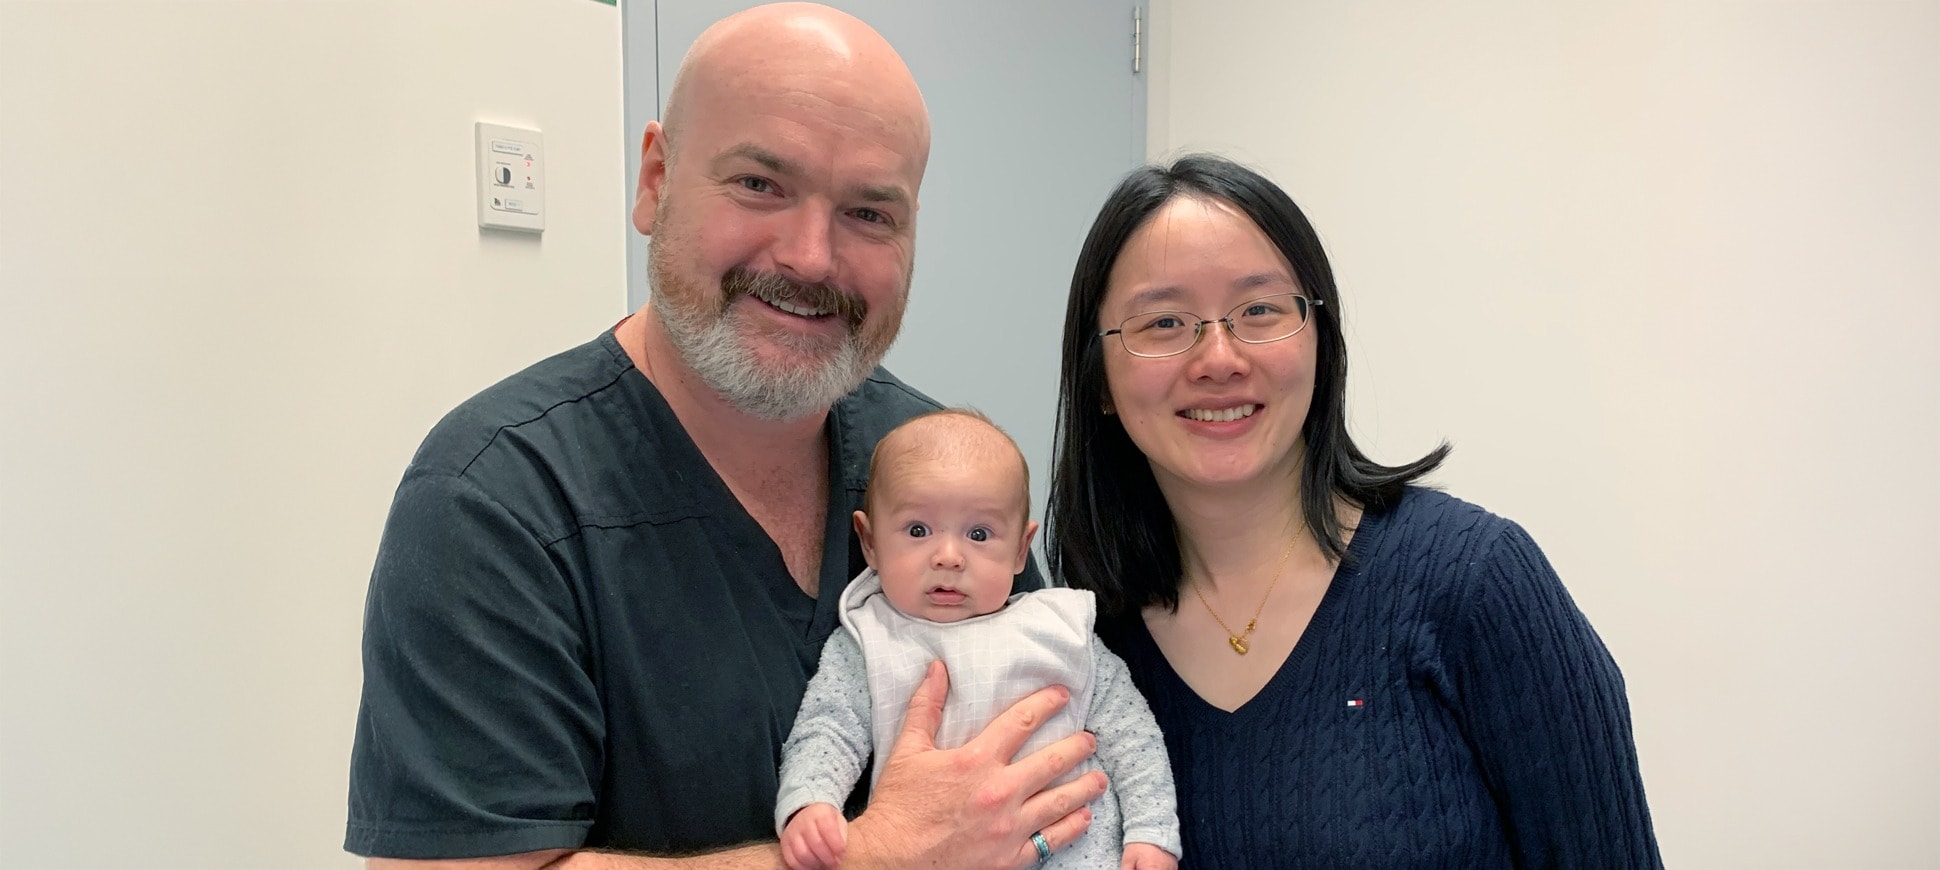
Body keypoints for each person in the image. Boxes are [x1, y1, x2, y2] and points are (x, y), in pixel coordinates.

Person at [346, 4, 1105, 868]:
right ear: (655, 179)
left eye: (869, 213)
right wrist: (878, 856)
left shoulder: (931, 459)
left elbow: (1046, 778)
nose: (812, 257)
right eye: (760, 185)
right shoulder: (497, 501)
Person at [1046, 154, 1662, 868]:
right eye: (1163, 321)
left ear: (1319, 341)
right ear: (1100, 380)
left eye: (1259, 311)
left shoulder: (1475, 582)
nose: (1219, 357)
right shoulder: (1085, 648)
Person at [775, 409, 1180, 870]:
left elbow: (1131, 733)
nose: (949, 556)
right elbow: (827, 730)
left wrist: (1152, 834)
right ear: (869, 542)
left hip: (1082, 852)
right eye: (918, 530)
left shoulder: (1058, 629)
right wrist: (810, 803)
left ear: (1019, 550)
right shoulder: (868, 642)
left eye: (979, 533)